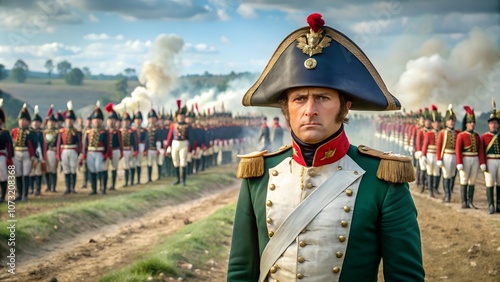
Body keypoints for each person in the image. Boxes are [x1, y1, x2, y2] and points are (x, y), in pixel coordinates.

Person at [227, 13, 424, 281]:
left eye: (322, 97)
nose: (310, 110)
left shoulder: (383, 180)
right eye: (299, 99)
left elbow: (405, 277)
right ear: (286, 109)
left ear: (345, 106)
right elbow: (241, 271)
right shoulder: (259, 175)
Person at [456, 106, 484, 209]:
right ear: (466, 124)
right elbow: (458, 150)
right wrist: (459, 162)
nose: (472, 124)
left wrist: (482, 162)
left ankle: (470, 201)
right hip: (465, 159)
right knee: (464, 180)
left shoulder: (477, 136)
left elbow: (480, 150)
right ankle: (464, 202)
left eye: (473, 122)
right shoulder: (461, 135)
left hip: (475, 159)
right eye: (470, 122)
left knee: (472, 181)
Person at [82, 101, 109, 195]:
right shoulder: (89, 132)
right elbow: (85, 145)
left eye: (98, 119)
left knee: (101, 170)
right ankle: (94, 189)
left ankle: (103, 188)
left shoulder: (104, 132)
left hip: (100, 153)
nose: (96, 121)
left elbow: (107, 145)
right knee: (92, 170)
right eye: (95, 119)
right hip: (90, 152)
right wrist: (84, 155)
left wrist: (106, 155)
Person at [11, 104, 38, 201]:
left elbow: (34, 145)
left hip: (26, 154)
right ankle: (19, 194)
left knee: (26, 174)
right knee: (18, 174)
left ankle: (25, 195)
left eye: (24, 120)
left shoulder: (31, 133)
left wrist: (33, 156)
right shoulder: (14, 131)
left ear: (27, 122)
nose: (22, 122)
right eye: (20, 120)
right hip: (17, 153)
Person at [165, 100, 193, 186]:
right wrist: (168, 146)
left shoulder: (187, 126)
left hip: (184, 143)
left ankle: (183, 180)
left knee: (183, 162)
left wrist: (191, 148)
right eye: (179, 115)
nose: (180, 117)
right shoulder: (173, 125)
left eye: (182, 115)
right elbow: (170, 136)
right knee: (175, 161)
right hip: (175, 143)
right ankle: (178, 179)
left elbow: (191, 137)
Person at [436, 104, 460, 202]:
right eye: (450, 120)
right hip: (446, 155)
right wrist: (438, 159)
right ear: (446, 122)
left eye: (453, 120)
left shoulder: (458, 133)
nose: (452, 122)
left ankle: (450, 190)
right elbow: (439, 146)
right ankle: (447, 194)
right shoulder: (442, 132)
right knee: (446, 174)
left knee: (453, 174)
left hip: (455, 156)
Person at [480, 99, 500, 214]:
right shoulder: (484, 137)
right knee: (490, 182)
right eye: (492, 123)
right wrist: (483, 162)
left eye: (496, 123)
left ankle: (499, 204)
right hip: (490, 161)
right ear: (489, 124)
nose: (494, 125)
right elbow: (482, 151)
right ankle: (491, 204)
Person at [421, 105, 442, 198]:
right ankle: (430, 190)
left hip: (437, 156)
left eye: (438, 122)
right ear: (432, 124)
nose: (437, 124)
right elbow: (425, 145)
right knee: (429, 172)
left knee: (436, 173)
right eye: (435, 122)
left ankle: (435, 188)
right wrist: (423, 155)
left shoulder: (442, 133)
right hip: (430, 155)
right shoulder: (429, 134)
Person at [0, 99, 13, 203]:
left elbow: (9, 146)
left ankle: (2, 196)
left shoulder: (5, 133)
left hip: (2, 156)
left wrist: (10, 158)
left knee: (3, 176)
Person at [43, 106, 59, 192]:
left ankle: (53, 186)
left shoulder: (57, 132)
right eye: (50, 122)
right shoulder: (44, 132)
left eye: (53, 122)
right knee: (46, 169)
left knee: (53, 169)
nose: (51, 123)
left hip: (53, 151)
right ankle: (48, 185)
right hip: (46, 152)